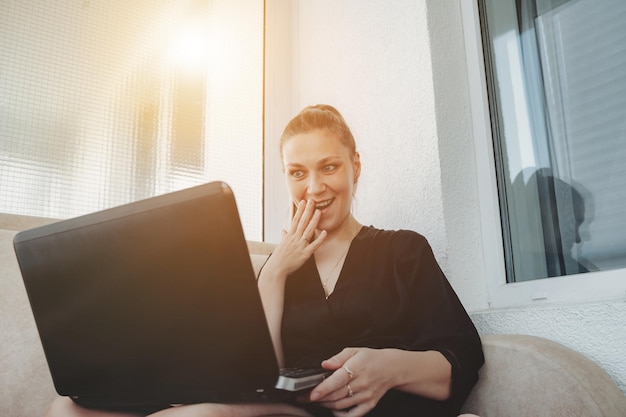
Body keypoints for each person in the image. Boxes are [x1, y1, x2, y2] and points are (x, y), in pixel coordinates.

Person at [45, 104, 484, 417]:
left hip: (364, 411)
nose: (313, 188)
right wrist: (274, 273)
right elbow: (254, 374)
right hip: (284, 407)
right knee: (67, 409)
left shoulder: (402, 250)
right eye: (297, 173)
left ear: (355, 167)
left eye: (328, 167)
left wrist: (387, 367)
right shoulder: (275, 270)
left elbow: (461, 354)